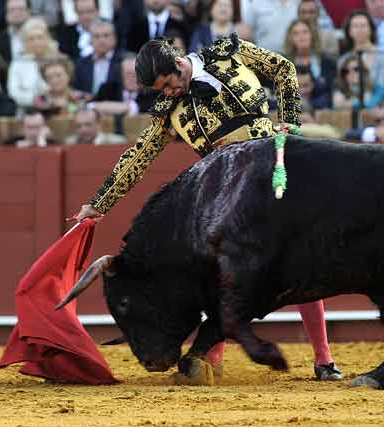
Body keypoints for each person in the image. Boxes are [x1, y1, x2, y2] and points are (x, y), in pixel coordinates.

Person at [72, 35, 343, 381]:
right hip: (230, 193)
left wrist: (290, 123)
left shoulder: (229, 53)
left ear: (180, 64)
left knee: (301, 263)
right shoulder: (168, 111)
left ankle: (323, 359)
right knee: (223, 271)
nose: (168, 93)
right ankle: (209, 358)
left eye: (169, 84)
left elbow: (283, 69)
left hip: (275, 169)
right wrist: (98, 204)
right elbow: (137, 157)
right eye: (160, 90)